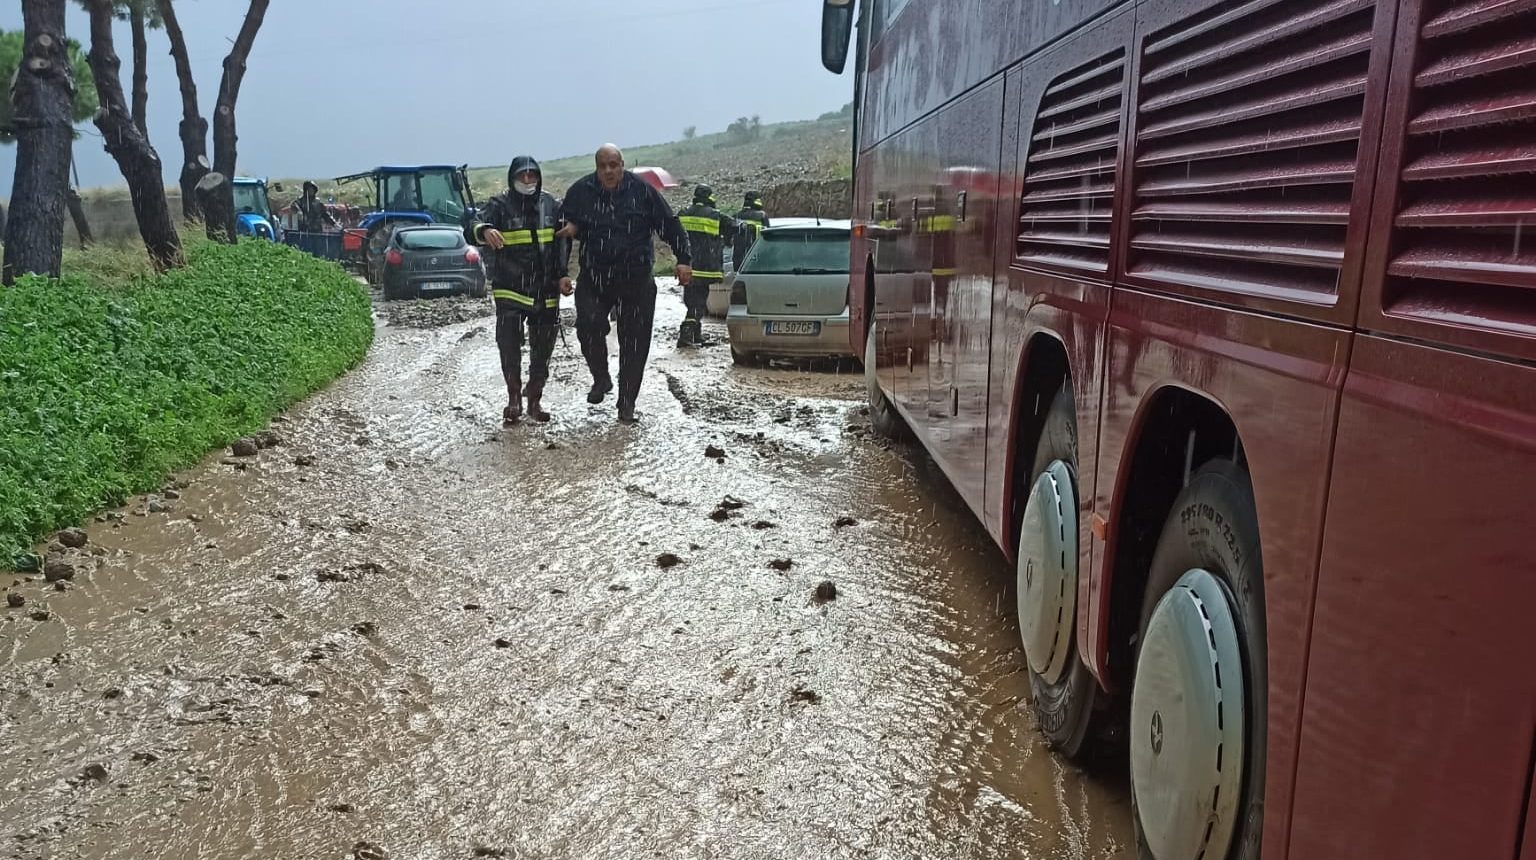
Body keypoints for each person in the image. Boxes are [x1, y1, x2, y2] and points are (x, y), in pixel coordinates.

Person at [557, 144, 692, 424]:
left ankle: (627, 403)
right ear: (597, 167)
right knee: (588, 326)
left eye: (613, 165)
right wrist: (561, 270)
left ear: (622, 165)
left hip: (636, 279)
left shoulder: (642, 191)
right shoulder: (580, 192)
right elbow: (562, 231)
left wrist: (684, 259)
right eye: (602, 166)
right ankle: (601, 378)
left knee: (635, 343)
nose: (608, 171)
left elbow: (669, 223)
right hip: (595, 277)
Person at [467, 156, 573, 424]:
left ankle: (534, 400)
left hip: (545, 289)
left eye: (532, 175)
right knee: (509, 344)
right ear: (512, 178)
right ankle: (513, 398)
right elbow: (471, 224)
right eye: (522, 176)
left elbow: (562, 243)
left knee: (543, 348)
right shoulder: (498, 206)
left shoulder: (551, 206)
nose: (527, 181)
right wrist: (485, 230)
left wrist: (562, 275)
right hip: (510, 288)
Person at [673, 184, 735, 347]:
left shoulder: (683, 213)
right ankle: (686, 335)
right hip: (706, 268)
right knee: (698, 304)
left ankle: (695, 335)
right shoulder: (715, 215)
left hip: (687, 266)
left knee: (691, 300)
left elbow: (672, 231)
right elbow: (734, 226)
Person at [732, 190, 770, 269]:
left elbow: (729, 239)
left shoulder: (737, 216)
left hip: (739, 260)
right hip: (758, 259)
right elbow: (768, 238)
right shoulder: (762, 216)